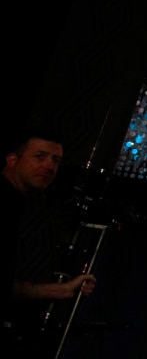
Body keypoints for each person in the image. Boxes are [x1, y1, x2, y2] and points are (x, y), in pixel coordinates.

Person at [2, 128, 96, 307]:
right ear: (12, 160)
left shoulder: (23, 205)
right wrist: (59, 290)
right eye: (39, 156)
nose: (49, 166)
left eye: (56, 160)